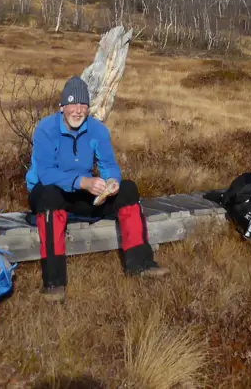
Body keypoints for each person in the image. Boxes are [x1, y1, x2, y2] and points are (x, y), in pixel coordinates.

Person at [26, 75, 168, 301]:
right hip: (47, 192)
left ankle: (141, 264)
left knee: (128, 189)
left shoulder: (97, 130)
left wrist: (112, 183)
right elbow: (46, 173)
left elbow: (109, 165)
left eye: (83, 105)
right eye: (72, 104)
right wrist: (83, 182)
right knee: (50, 194)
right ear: (62, 106)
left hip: (81, 193)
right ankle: (54, 283)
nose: (78, 110)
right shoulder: (45, 129)